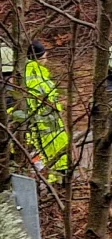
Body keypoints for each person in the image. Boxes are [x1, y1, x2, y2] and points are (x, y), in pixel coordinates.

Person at [1, 40, 69, 179]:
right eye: (44, 56)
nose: (46, 60)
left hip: (39, 137)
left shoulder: (30, 77)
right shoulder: (34, 78)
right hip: (44, 137)